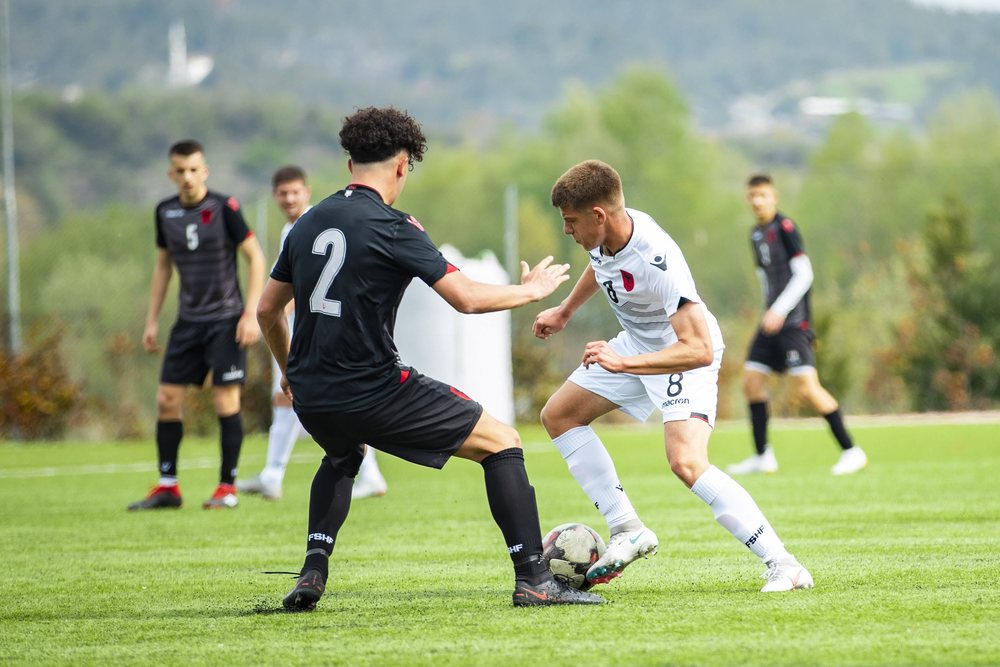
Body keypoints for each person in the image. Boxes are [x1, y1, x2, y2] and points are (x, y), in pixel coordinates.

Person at [257, 106, 603, 610]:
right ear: (402, 165)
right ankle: (533, 579)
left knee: (342, 454)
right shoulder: (394, 226)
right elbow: (465, 298)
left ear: (350, 161)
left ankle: (312, 572)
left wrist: (291, 372)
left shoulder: (308, 223)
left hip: (313, 394)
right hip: (373, 389)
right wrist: (530, 292)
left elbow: (268, 310)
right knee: (502, 442)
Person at [534, 160, 813, 592]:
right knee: (559, 416)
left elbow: (698, 349)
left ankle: (785, 564)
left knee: (686, 463)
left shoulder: (656, 258)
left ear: (598, 216)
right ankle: (626, 527)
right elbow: (600, 265)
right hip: (635, 345)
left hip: (680, 352)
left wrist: (622, 363)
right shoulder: (604, 236)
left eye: (571, 222)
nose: (567, 231)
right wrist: (565, 311)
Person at [128, 139, 267, 511]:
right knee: (167, 399)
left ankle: (227, 487)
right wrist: (152, 320)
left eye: (194, 170)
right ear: (171, 174)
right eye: (180, 171)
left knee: (225, 399)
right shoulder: (165, 212)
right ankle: (168, 487)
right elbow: (162, 267)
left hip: (225, 320)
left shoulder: (225, 208)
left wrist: (250, 312)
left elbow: (256, 258)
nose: (187, 177)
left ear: (204, 171)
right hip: (187, 322)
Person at [237, 166, 388, 501]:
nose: (289, 198)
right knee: (289, 398)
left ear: (307, 191)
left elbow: (300, 290)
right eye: (283, 193)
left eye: (295, 192)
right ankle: (274, 474)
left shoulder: (310, 226)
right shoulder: (291, 229)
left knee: (317, 399)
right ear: (275, 196)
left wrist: (275, 315)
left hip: (313, 331)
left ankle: (278, 474)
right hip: (299, 328)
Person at [727, 174, 867, 476]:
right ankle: (763, 456)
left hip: (793, 324)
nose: (757, 201)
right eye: (752, 195)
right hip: (770, 323)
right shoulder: (755, 234)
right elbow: (765, 276)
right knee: (751, 381)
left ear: (774, 197)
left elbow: (804, 274)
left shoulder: (785, 228)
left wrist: (779, 310)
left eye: (762, 195)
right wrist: (768, 310)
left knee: (807, 388)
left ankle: (851, 451)